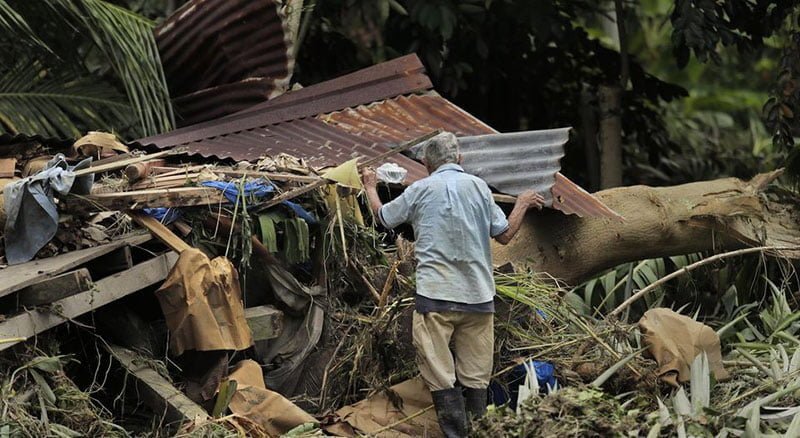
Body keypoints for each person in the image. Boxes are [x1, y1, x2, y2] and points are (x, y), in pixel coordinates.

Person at [361, 132, 545, 438]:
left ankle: (456, 435)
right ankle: (477, 432)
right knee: (475, 377)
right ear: (459, 160)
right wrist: (523, 203)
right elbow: (504, 234)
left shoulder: (420, 189)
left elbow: (383, 218)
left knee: (441, 376)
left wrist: (369, 186)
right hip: (477, 298)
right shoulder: (479, 188)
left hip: (436, 299)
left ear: (425, 164)